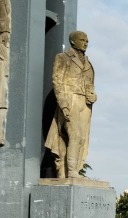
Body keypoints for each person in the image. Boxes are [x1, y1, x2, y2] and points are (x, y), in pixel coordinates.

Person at [45, 30, 97, 178]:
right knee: (75, 135)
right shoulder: (63, 58)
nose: (86, 43)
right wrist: (64, 105)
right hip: (71, 99)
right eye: (82, 40)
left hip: (85, 104)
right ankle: (71, 172)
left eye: (87, 41)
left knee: (82, 138)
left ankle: (75, 169)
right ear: (73, 41)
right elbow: (58, 82)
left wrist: (94, 96)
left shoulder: (88, 63)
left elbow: (90, 85)